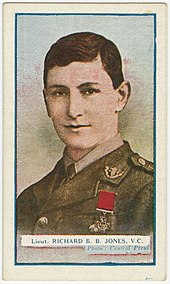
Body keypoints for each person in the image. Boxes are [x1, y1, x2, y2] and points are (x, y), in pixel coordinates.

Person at [17, 32, 154, 235]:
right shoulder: (29, 198)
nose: (73, 111)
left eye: (89, 91)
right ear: (47, 102)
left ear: (121, 97)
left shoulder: (149, 191)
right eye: (59, 93)